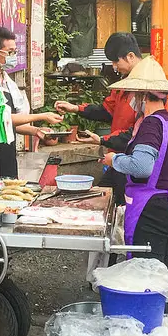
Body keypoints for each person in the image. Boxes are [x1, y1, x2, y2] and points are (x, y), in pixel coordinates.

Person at [100, 56, 168, 314]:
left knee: (145, 270)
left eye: (134, 95)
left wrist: (114, 159)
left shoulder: (151, 124)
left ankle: (146, 326)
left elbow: (142, 166)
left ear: (142, 95)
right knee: (167, 268)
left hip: (152, 209)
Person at [54, 32, 142, 206]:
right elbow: (107, 111)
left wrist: (102, 139)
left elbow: (139, 133)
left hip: (134, 161)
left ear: (130, 56)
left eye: (116, 61)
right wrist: (76, 108)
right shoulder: (124, 83)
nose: (114, 66)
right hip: (118, 157)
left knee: (121, 207)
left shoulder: (147, 87)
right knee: (101, 198)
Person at [0, 26, 63, 178]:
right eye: (10, 52)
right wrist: (42, 116)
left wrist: (37, 131)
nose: (13, 56)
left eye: (15, 52)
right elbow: (2, 118)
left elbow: (12, 123)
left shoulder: (8, 82)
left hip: (7, 155)